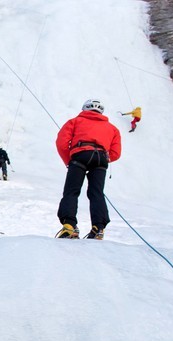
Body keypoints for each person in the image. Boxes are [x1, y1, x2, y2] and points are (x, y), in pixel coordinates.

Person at [54, 99, 122, 240]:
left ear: (85, 109)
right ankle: (98, 228)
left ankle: (69, 225)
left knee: (72, 191)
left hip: (80, 155)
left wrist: (69, 161)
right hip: (101, 158)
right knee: (96, 193)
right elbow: (116, 152)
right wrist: (105, 159)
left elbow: (61, 142)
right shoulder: (112, 128)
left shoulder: (74, 122)